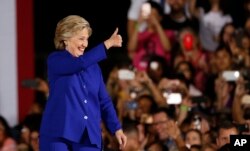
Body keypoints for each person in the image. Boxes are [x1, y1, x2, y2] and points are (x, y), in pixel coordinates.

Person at [39, 15, 127, 151]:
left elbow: (104, 101)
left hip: (89, 136)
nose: (85, 44)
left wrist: (117, 128)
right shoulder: (55, 60)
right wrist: (108, 44)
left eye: (86, 39)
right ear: (66, 39)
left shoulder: (94, 67)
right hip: (59, 134)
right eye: (81, 39)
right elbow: (79, 64)